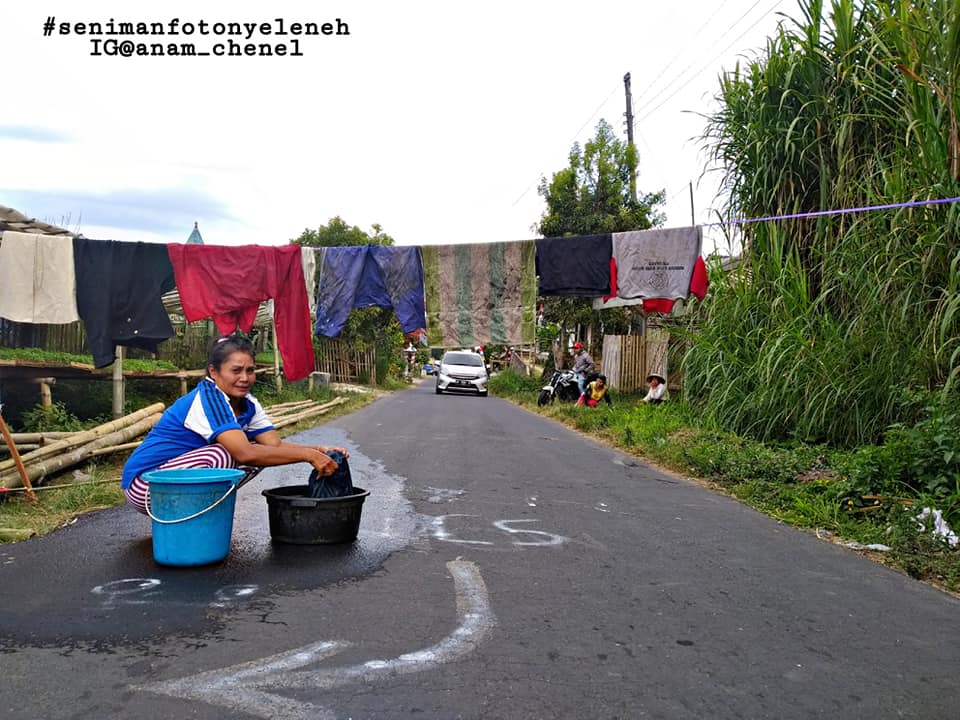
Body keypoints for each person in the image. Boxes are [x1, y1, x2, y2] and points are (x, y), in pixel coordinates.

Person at [120, 334, 348, 515]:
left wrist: (318, 451)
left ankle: (201, 514)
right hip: (146, 485)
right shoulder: (209, 398)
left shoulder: (248, 402)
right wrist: (308, 456)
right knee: (225, 454)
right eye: (236, 370)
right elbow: (244, 453)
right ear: (213, 371)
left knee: (261, 455)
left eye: (250, 370)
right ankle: (200, 512)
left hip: (176, 481)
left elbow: (274, 445)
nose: (245, 378)